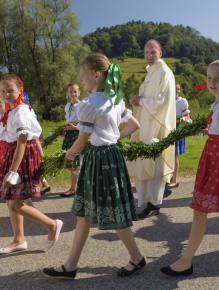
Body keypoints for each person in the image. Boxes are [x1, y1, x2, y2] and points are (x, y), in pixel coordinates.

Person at [43, 53, 144, 279]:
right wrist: (114, 138)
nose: (81, 80)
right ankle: (71, 265)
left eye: (83, 75)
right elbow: (134, 124)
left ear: (96, 75)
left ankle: (137, 258)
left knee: (112, 212)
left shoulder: (90, 104)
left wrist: (67, 156)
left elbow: (81, 142)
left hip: (100, 159)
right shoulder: (114, 98)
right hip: (110, 156)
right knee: (85, 214)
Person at [160, 60, 219, 277]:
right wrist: (205, 130)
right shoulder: (218, 103)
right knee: (209, 210)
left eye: (217, 79)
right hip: (213, 156)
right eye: (209, 78)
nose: (212, 82)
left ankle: (189, 260)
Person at [0, 74, 62, 254]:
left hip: (22, 155)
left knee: (15, 204)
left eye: (10, 90)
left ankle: (51, 225)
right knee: (11, 200)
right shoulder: (12, 110)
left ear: (20, 91)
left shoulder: (21, 111)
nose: (6, 94)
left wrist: (12, 171)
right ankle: (19, 240)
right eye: (3, 91)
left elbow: (22, 141)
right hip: (13, 153)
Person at [127, 39, 176, 218]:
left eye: (153, 52)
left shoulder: (164, 72)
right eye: (146, 52)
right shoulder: (151, 73)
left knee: (153, 164)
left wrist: (142, 101)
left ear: (160, 53)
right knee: (145, 162)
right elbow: (149, 98)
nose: (149, 55)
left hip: (156, 127)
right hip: (146, 125)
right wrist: (137, 101)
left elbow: (162, 101)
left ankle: (154, 204)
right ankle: (148, 200)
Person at [167, 83, 190, 189]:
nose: (177, 91)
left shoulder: (182, 101)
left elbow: (187, 116)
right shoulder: (167, 100)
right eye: (175, 89)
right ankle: (170, 175)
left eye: (179, 89)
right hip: (167, 129)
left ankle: (175, 180)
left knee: (174, 155)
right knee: (167, 154)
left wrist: (176, 119)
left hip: (177, 128)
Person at [60, 83, 81, 197]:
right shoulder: (67, 106)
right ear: (67, 94)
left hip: (78, 133)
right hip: (69, 134)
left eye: (75, 91)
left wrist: (75, 127)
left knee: (73, 161)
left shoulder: (82, 105)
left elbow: (86, 122)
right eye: (71, 92)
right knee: (68, 160)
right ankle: (76, 184)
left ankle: (73, 188)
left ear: (79, 92)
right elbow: (67, 119)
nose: (73, 94)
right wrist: (63, 130)